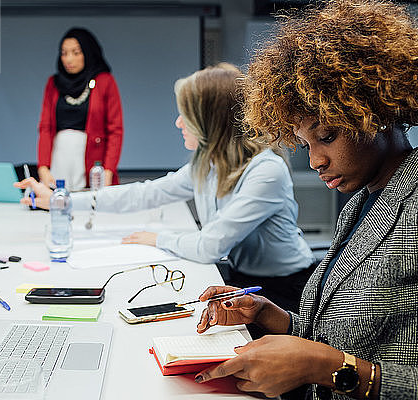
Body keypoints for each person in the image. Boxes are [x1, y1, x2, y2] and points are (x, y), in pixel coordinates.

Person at [193, 0, 418, 399]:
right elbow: (341, 337)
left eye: (327, 136)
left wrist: (322, 367)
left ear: (374, 112)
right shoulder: (359, 206)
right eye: (305, 143)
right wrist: (269, 317)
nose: (315, 160)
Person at [18, 65, 316, 313]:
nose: (177, 122)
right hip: (241, 278)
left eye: (185, 115)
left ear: (209, 121)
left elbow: (209, 247)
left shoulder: (266, 171)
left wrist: (158, 238)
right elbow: (145, 193)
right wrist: (65, 200)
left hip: (285, 291)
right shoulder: (209, 161)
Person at [37, 27, 123, 191]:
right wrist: (43, 168)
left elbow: (115, 130)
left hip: (92, 165)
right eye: (64, 53)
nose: (69, 59)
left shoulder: (105, 82)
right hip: (59, 161)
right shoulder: (53, 84)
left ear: (88, 53)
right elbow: (45, 127)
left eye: (76, 53)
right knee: (57, 205)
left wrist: (108, 171)